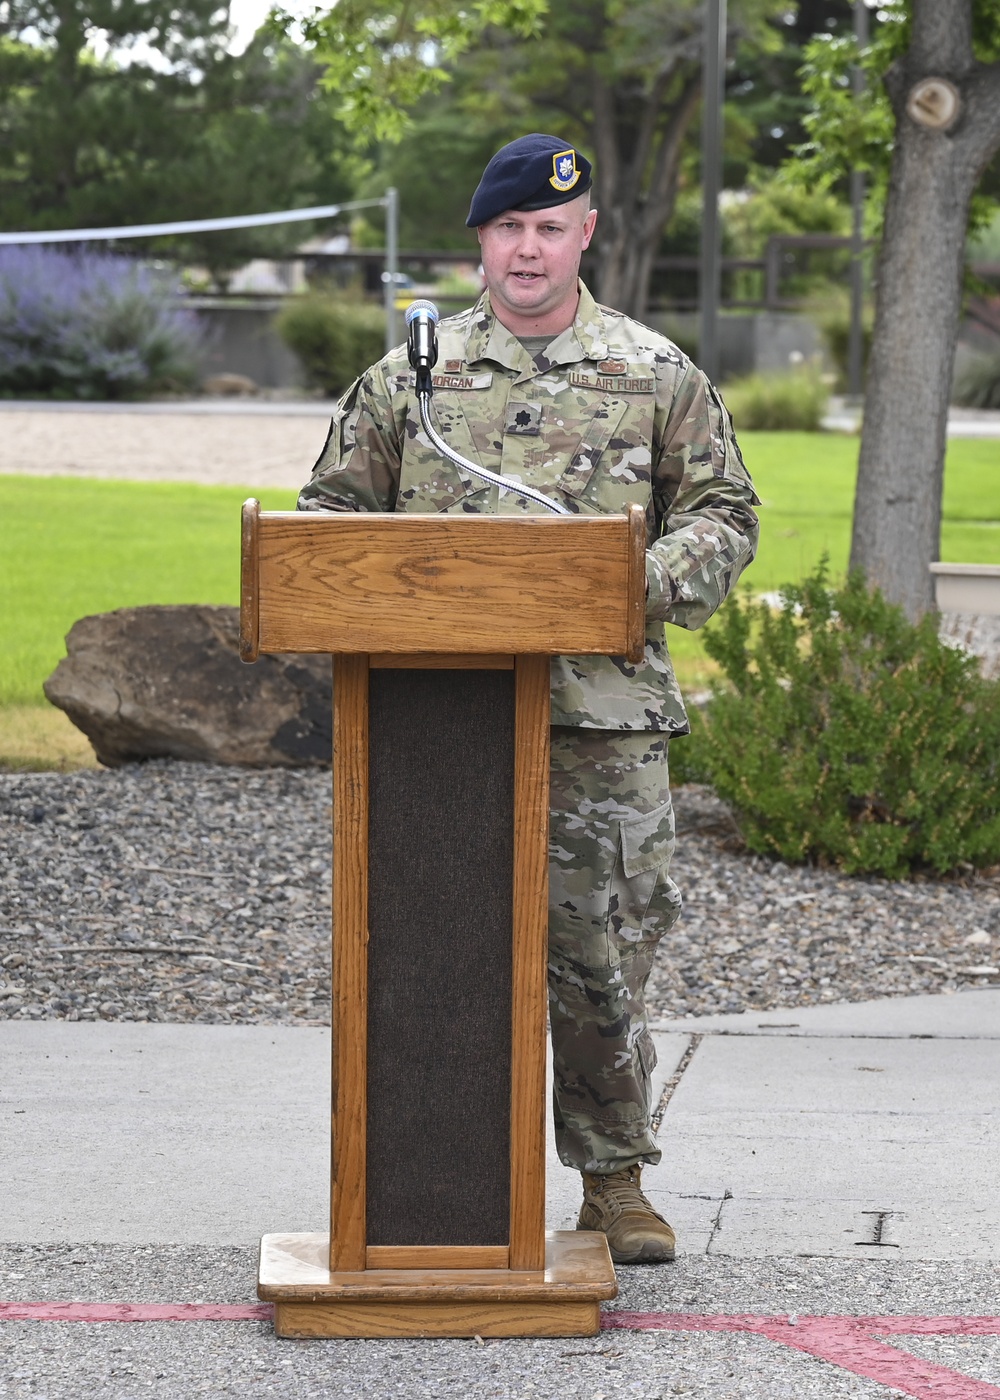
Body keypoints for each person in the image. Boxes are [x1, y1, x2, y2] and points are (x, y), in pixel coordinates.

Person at [298, 133, 759, 1264]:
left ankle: (612, 1182)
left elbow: (725, 515)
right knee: (431, 950)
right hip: (431, 727)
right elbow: (325, 519)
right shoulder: (411, 378)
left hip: (598, 723)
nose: (527, 249)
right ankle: (430, 1194)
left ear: (585, 234)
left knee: (599, 955)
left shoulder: (653, 373)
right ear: (480, 244)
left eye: (549, 228)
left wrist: (633, 580)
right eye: (508, 228)